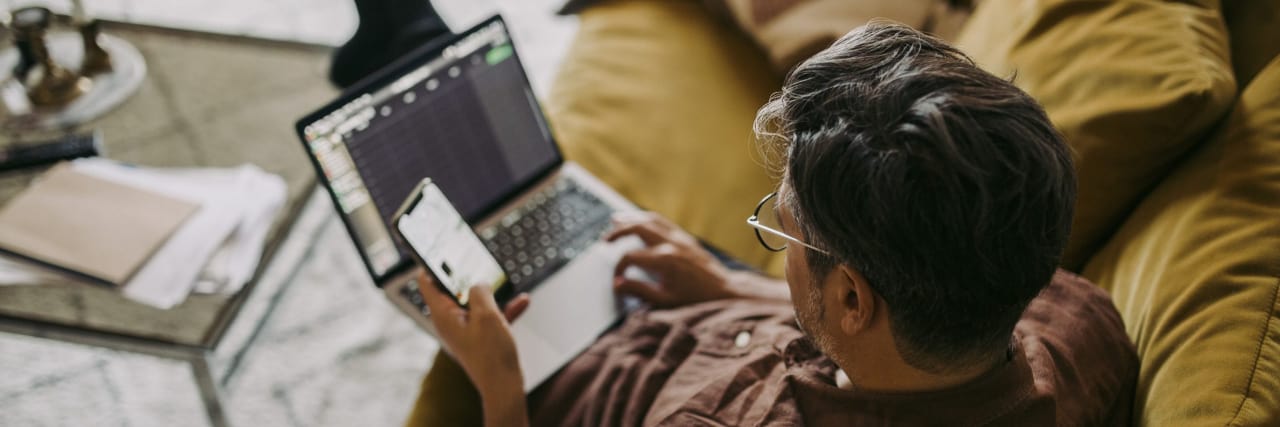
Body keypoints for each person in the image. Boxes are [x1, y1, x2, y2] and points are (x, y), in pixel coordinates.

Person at [413, 22, 1138, 426]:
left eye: (783, 229)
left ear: (853, 299)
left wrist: (499, 384)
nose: (778, 244)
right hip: (707, 309)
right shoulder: (1077, 320)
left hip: (557, 373)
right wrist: (729, 284)